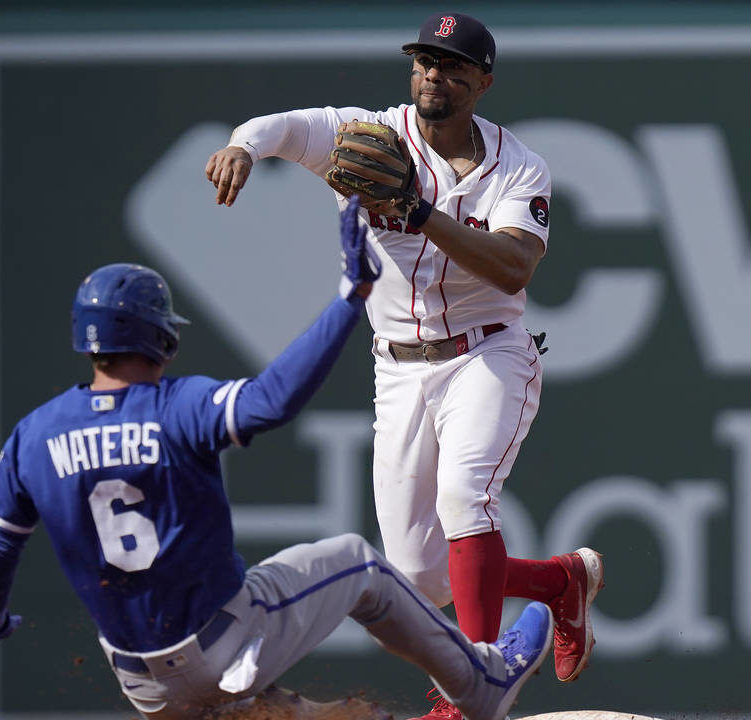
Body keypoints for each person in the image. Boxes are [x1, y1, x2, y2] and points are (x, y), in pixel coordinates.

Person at [0, 197, 553, 720]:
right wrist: (350, 298)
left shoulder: (34, 435)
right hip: (221, 645)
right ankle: (483, 682)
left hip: (142, 687)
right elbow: (271, 401)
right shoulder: (174, 406)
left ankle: (272, 710)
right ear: (160, 336)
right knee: (358, 565)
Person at [204, 11, 605, 720]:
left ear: (482, 81)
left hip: (489, 352)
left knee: (464, 498)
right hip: (397, 367)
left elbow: (513, 270)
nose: (433, 76)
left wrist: (418, 211)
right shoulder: (370, 134)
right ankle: (560, 583)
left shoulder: (519, 167)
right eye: (424, 61)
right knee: (421, 578)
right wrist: (242, 145)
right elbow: (284, 129)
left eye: (452, 67)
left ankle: (473, 688)